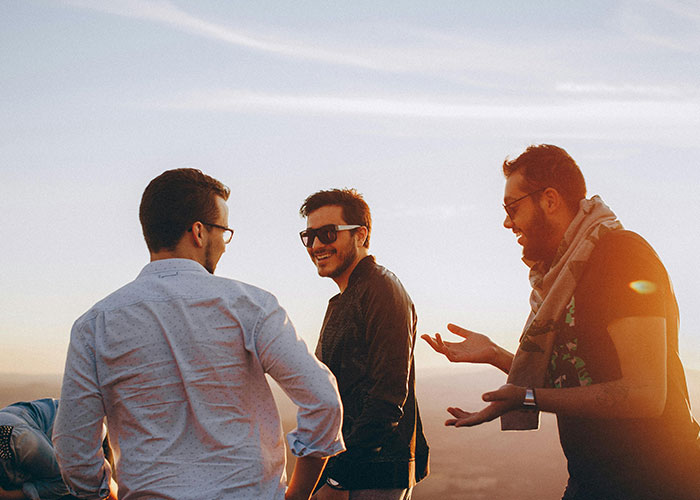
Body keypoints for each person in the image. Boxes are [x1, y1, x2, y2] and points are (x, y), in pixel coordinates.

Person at [423, 144, 700, 499]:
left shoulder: (621, 255)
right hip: (591, 479)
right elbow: (578, 378)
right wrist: (495, 355)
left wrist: (528, 397)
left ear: (550, 200)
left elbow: (644, 394)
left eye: (512, 207)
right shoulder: (563, 276)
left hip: (657, 480)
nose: (507, 222)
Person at [53, 168, 345, 500]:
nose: (224, 244)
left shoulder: (94, 325)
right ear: (199, 232)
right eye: (223, 231)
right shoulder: (250, 306)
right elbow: (323, 401)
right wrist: (297, 495)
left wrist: (106, 496)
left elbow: (73, 447)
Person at [299, 189, 429, 500]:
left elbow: (388, 395)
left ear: (361, 235)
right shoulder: (346, 298)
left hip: (371, 476)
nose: (316, 245)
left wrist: (338, 480)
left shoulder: (381, 289)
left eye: (328, 233)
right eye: (309, 236)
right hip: (351, 472)